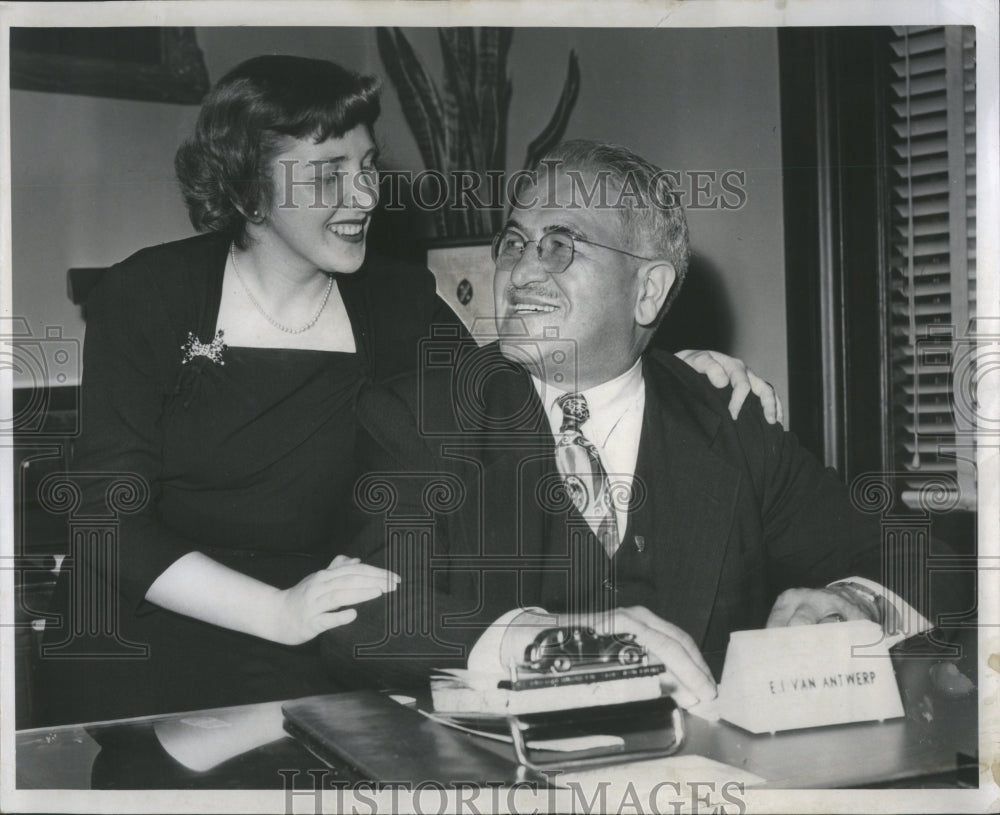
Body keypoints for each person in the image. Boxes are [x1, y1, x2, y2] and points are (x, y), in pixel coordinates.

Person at [35, 59, 773, 725]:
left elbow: (515, 380)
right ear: (248, 184)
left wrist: (668, 364)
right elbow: (107, 519)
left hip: (324, 625)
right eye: (328, 173)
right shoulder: (148, 294)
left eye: (367, 164)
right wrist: (280, 611)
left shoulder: (395, 301)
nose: (364, 193)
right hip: (151, 629)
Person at [318, 140, 960, 711]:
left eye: (561, 245)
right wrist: (543, 639)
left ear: (648, 291)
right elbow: (359, 614)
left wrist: (853, 604)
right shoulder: (422, 417)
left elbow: (927, 561)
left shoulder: (730, 424)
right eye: (513, 243)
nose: (520, 270)